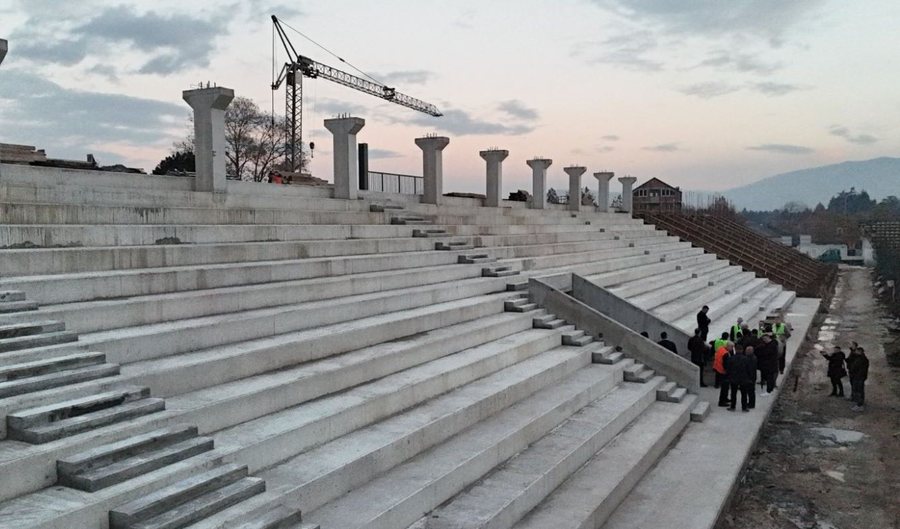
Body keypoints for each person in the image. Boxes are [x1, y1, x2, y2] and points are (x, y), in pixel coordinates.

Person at [726, 345, 757, 411]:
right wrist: (750, 378)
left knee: (733, 393)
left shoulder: (731, 358)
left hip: (734, 378)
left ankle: (732, 406)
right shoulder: (746, 359)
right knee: (744, 393)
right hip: (744, 378)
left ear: (735, 350)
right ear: (742, 350)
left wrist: (729, 377)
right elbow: (749, 369)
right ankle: (744, 407)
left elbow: (728, 369)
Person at [846, 346, 869, 411]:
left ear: (860, 352)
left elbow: (861, 369)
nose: (855, 352)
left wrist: (857, 375)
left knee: (859, 390)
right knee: (856, 389)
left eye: (856, 351)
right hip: (856, 376)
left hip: (859, 377)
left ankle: (860, 405)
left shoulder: (863, 359)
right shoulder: (858, 357)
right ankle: (858, 402)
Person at [714, 341, 734, 407]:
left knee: (725, 387)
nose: (732, 348)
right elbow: (726, 365)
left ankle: (725, 398)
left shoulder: (721, 349)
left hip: (718, 369)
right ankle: (722, 402)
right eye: (732, 347)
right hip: (723, 372)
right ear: (728, 346)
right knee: (724, 388)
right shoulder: (726, 354)